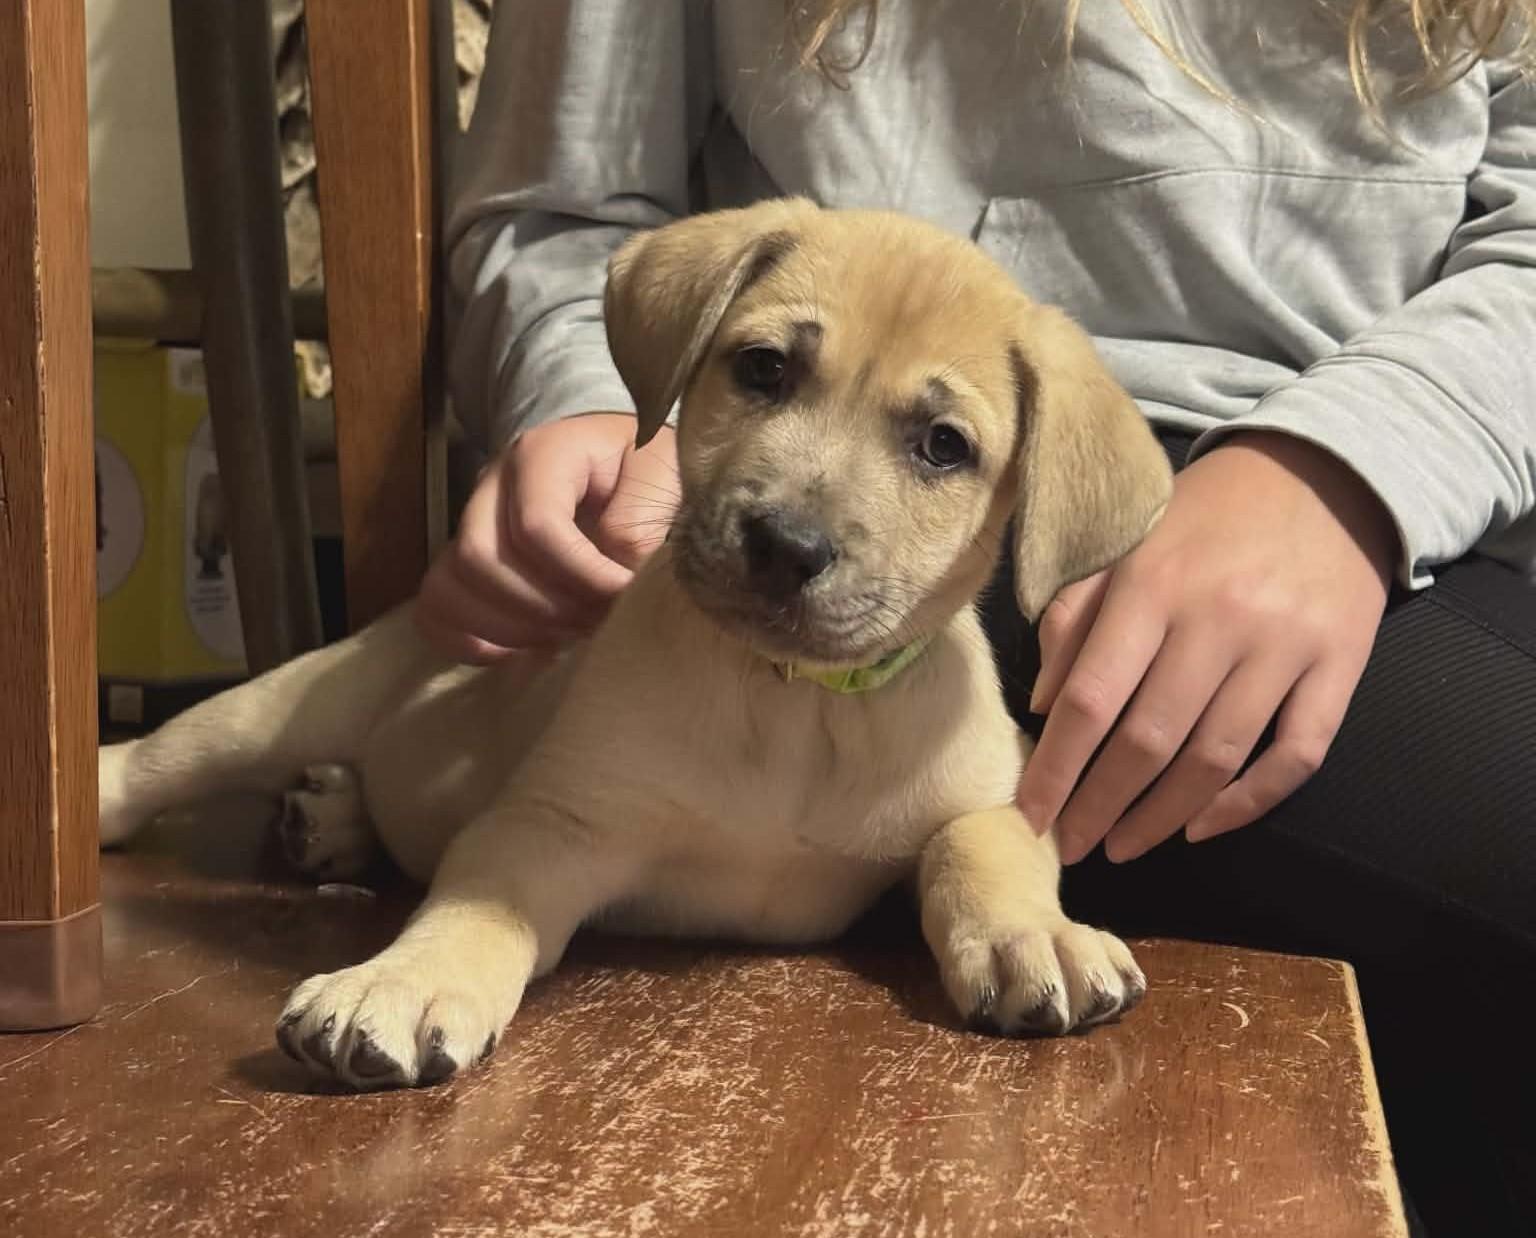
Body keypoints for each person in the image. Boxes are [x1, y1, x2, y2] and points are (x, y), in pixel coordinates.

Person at [425, 3, 1536, 1232]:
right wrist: (590, 394)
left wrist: (1350, 466)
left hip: (1367, 507)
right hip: (948, 556)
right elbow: (565, 212)